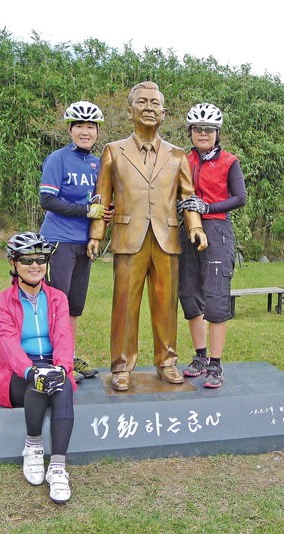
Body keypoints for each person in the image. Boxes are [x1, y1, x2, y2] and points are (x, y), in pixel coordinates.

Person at [87, 81, 208, 392]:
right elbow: (101, 198)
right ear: (130, 111)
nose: (149, 108)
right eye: (142, 102)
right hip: (129, 237)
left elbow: (188, 197)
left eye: (156, 103)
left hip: (167, 238)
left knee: (166, 304)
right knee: (125, 303)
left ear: (165, 113)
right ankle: (122, 365)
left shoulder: (178, 155)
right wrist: (96, 234)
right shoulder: (113, 151)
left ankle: (167, 361)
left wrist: (195, 227)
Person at [0, 232, 77, 503]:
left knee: (60, 386)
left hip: (52, 363)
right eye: (26, 259)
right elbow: (8, 344)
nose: (35, 265)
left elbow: (63, 336)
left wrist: (62, 367)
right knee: (38, 382)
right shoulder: (1, 302)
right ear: (14, 264)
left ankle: (58, 467)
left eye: (41, 259)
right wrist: (30, 371)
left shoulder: (58, 298)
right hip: (17, 373)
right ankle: (34, 447)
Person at [177, 103, 246, 388]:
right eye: (197, 129)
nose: (202, 133)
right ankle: (200, 357)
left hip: (217, 229)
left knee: (216, 295)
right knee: (189, 293)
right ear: (191, 132)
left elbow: (240, 197)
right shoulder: (182, 159)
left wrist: (208, 206)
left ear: (217, 133)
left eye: (208, 129)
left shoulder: (229, 161)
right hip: (186, 230)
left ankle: (216, 365)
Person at [39, 101, 106, 376]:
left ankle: (69, 356)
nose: (85, 131)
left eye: (90, 126)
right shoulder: (58, 159)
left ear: (97, 131)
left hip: (84, 243)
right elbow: (47, 199)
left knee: (75, 306)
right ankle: (53, 360)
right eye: (79, 126)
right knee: (57, 303)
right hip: (59, 241)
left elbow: (101, 203)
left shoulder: (97, 164)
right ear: (69, 129)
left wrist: (100, 225)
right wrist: (85, 210)